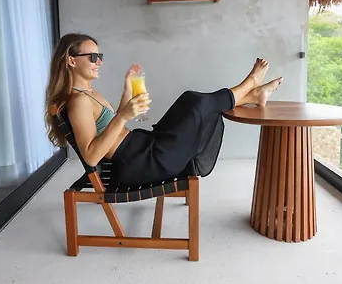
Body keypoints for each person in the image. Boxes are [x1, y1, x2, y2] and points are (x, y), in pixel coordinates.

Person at [45, 33, 283, 185]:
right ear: (71, 60)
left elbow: (111, 128)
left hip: (142, 147)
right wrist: (124, 116)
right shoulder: (78, 101)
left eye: (100, 56)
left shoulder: (88, 93)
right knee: (198, 106)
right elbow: (91, 156)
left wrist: (127, 90)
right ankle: (250, 85)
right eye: (93, 57)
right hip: (141, 162)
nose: (99, 62)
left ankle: (253, 94)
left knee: (189, 99)